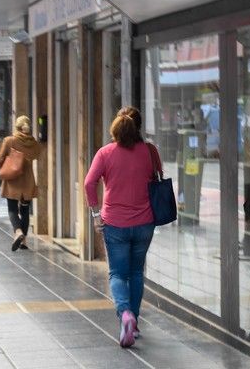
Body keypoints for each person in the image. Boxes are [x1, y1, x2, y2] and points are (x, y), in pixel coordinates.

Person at [84, 106, 158, 349]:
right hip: (145, 222)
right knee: (136, 273)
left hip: (114, 223)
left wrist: (95, 214)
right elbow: (157, 178)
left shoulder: (105, 153)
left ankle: (125, 314)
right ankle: (134, 322)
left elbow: (89, 183)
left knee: (117, 273)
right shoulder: (149, 151)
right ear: (137, 127)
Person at [0, 115, 42, 251]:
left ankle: (18, 232)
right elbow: (37, 154)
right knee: (25, 210)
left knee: (12, 209)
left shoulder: (9, 141)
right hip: (27, 181)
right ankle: (25, 242)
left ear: (17, 127)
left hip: (12, 180)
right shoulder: (33, 143)